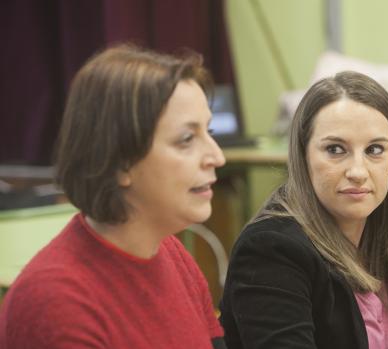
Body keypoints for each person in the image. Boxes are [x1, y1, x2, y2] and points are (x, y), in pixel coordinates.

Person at [219, 71, 388, 349]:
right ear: (303, 156)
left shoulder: (382, 229)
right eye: (335, 149)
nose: (357, 171)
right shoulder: (270, 249)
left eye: (375, 149)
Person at [0, 45, 227, 348]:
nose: (217, 156)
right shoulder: (56, 302)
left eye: (209, 132)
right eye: (187, 139)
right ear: (120, 162)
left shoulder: (172, 254)